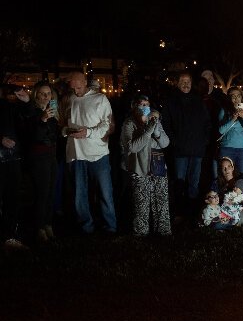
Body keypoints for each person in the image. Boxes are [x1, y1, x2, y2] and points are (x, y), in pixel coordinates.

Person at [63, 72, 117, 234]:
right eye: (73, 87)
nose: (76, 91)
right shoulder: (69, 99)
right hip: (76, 154)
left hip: (98, 153)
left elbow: (108, 125)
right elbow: (63, 123)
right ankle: (86, 227)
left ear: (85, 82)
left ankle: (110, 227)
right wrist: (66, 131)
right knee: (80, 195)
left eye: (78, 87)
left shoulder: (100, 99)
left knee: (104, 193)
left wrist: (88, 133)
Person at [161, 72, 211, 219]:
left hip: (197, 150)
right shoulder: (171, 102)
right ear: (177, 83)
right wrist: (174, 142)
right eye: (182, 81)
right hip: (179, 151)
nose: (186, 84)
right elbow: (166, 125)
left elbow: (207, 124)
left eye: (188, 81)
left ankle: (193, 213)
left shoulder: (198, 101)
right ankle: (179, 212)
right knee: (179, 183)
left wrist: (204, 140)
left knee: (194, 184)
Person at [120, 95, 171, 236]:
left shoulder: (155, 121)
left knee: (161, 203)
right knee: (141, 205)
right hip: (140, 170)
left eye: (146, 104)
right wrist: (147, 132)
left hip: (158, 168)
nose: (144, 107)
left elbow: (165, 143)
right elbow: (131, 147)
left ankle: (163, 232)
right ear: (134, 107)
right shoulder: (129, 124)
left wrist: (157, 131)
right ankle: (141, 234)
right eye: (141, 104)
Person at [16, 82, 60, 242]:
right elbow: (31, 137)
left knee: (50, 192)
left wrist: (62, 129)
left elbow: (52, 134)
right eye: (42, 93)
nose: (46, 97)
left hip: (51, 156)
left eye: (48, 94)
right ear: (36, 95)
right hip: (38, 157)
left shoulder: (52, 111)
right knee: (41, 193)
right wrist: (42, 120)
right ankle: (39, 227)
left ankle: (48, 224)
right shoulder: (31, 111)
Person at [0, 85, 27, 250]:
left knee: (12, 197)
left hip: (11, 158)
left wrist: (26, 102)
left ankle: (9, 236)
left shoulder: (6, 106)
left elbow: (26, 118)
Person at [217, 86, 243, 190]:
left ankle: (239, 203)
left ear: (242, 97)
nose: (236, 99)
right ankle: (224, 202)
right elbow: (221, 130)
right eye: (233, 96)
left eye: (238, 96)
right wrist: (233, 118)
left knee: (241, 177)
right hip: (227, 148)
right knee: (225, 177)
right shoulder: (224, 110)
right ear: (229, 98)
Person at [212, 156, 243, 226]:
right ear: (220, 170)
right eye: (224, 168)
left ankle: (234, 224)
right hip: (226, 213)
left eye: (229, 166)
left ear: (233, 168)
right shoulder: (216, 183)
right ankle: (226, 225)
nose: (227, 170)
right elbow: (212, 199)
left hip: (241, 211)